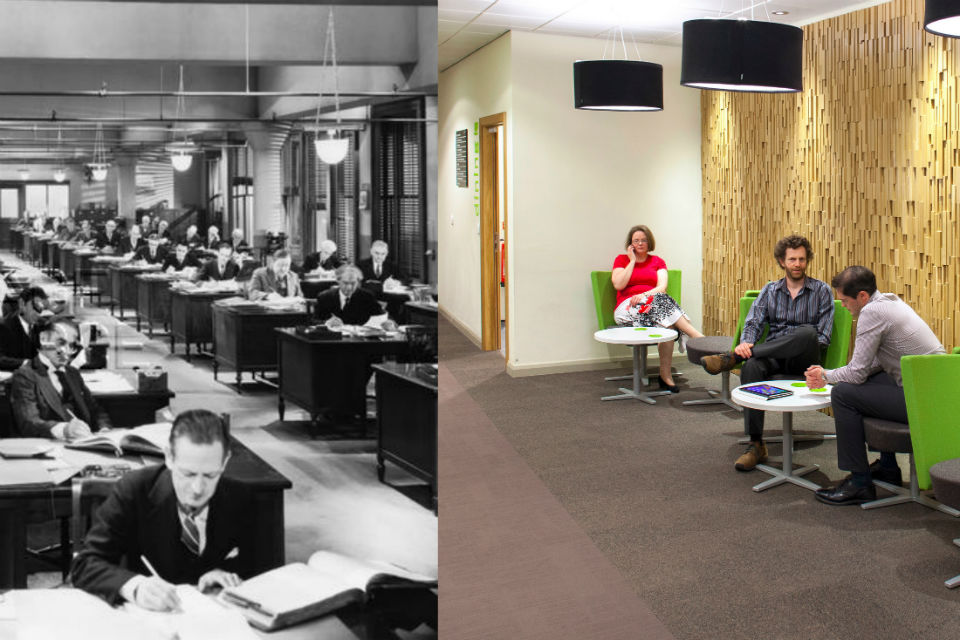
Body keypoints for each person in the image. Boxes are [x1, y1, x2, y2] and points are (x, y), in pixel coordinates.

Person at [71, 409, 256, 610]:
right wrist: (135, 587)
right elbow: (85, 565)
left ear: (225, 461)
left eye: (210, 475)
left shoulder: (242, 497)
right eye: (188, 474)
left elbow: (265, 567)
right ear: (169, 456)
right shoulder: (135, 489)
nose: (198, 489)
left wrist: (225, 571)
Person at [807, 266, 945, 505]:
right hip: (936, 393)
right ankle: (889, 468)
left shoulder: (872, 313)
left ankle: (859, 482)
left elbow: (857, 372)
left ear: (862, 296)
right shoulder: (890, 302)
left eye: (845, 300)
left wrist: (826, 375)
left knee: (842, 394)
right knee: (866, 383)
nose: (842, 305)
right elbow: (872, 365)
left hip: (924, 402)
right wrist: (832, 375)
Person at [701, 235, 835, 472]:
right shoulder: (770, 290)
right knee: (752, 366)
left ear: (807, 261)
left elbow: (822, 338)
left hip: (804, 361)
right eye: (792, 259)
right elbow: (752, 322)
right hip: (773, 356)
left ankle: (733, 358)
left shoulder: (821, 291)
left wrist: (745, 352)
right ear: (782, 261)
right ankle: (755, 444)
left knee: (806, 334)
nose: (797, 264)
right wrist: (746, 343)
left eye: (802, 259)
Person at [610, 225, 704, 392]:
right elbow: (618, 284)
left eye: (644, 240)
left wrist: (644, 295)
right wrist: (631, 261)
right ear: (630, 244)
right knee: (664, 310)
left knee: (667, 323)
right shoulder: (621, 260)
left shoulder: (657, 261)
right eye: (636, 241)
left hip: (651, 304)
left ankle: (665, 375)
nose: (640, 243)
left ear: (649, 242)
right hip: (627, 308)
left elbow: (662, 287)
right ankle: (696, 336)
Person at [10, 319, 111, 439]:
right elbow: (28, 423)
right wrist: (64, 429)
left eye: (72, 345)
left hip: (85, 442)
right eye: (61, 343)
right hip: (51, 447)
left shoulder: (72, 372)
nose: (66, 351)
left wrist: (104, 429)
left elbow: (96, 410)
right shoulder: (25, 375)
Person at [314, 264, 396, 329]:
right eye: (345, 283)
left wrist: (390, 323)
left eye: (353, 283)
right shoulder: (325, 297)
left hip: (358, 343)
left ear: (358, 282)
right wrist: (326, 322)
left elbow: (383, 316)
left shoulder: (366, 296)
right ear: (338, 281)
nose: (349, 287)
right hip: (331, 342)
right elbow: (313, 321)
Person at [0, 286, 52, 371]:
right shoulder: (3, 326)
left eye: (41, 309)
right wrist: (26, 363)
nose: (38, 314)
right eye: (35, 307)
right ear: (22, 304)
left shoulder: (44, 325)